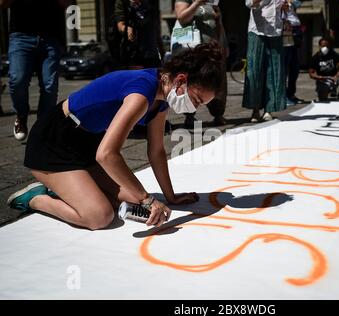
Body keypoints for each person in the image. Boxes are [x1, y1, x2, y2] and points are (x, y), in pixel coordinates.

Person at [6, 42, 224, 230]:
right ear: (181, 80)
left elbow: (156, 150)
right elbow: (107, 154)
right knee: (99, 216)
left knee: (134, 204)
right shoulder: (142, 92)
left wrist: (170, 196)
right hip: (54, 141)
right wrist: (148, 199)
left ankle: (71, 188)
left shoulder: (161, 99)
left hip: (87, 142)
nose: (193, 108)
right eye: (196, 99)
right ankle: (36, 198)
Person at [0, 0, 69, 141]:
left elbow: (66, 3)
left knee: (50, 86)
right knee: (17, 79)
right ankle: (21, 115)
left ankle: (42, 128)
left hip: (50, 37)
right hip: (21, 36)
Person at [174, 0, 228, 128]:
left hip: (213, 48)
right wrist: (197, 3)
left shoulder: (212, 2)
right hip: (194, 50)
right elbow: (182, 18)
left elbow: (218, 23)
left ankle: (218, 113)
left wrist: (223, 43)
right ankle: (189, 115)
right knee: (194, 81)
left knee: (217, 80)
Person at [243, 0, 287, 123]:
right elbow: (249, 3)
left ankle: (269, 109)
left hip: (275, 31)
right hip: (257, 30)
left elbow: (286, 7)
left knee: (273, 70)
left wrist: (285, 7)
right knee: (254, 71)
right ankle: (255, 109)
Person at [115, 0, 163, 69]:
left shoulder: (150, 3)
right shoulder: (123, 2)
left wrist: (162, 51)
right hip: (134, 54)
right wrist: (128, 29)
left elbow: (156, 29)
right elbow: (120, 26)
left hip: (152, 54)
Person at [282, 0, 304, 106]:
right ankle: (283, 95)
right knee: (285, 65)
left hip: (296, 31)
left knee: (294, 67)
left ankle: (291, 94)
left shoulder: (292, 3)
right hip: (286, 30)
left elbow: (298, 3)